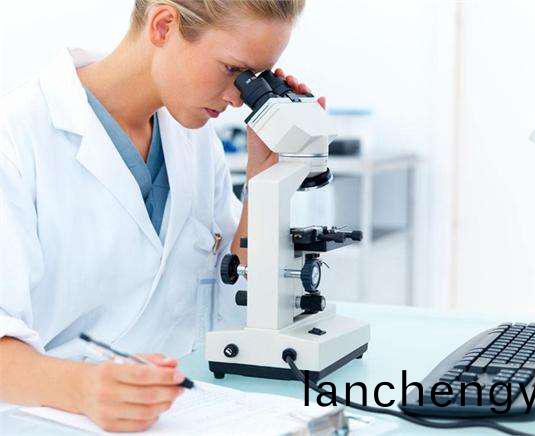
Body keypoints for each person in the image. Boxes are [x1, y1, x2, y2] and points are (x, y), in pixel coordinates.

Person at [0, 0, 326, 432]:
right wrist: (83, 388)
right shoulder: (16, 138)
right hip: (48, 421)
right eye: (233, 70)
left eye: (255, 80)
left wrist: (263, 184)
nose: (237, 98)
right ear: (164, 25)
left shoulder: (195, 140)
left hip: (180, 412)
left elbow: (235, 304)